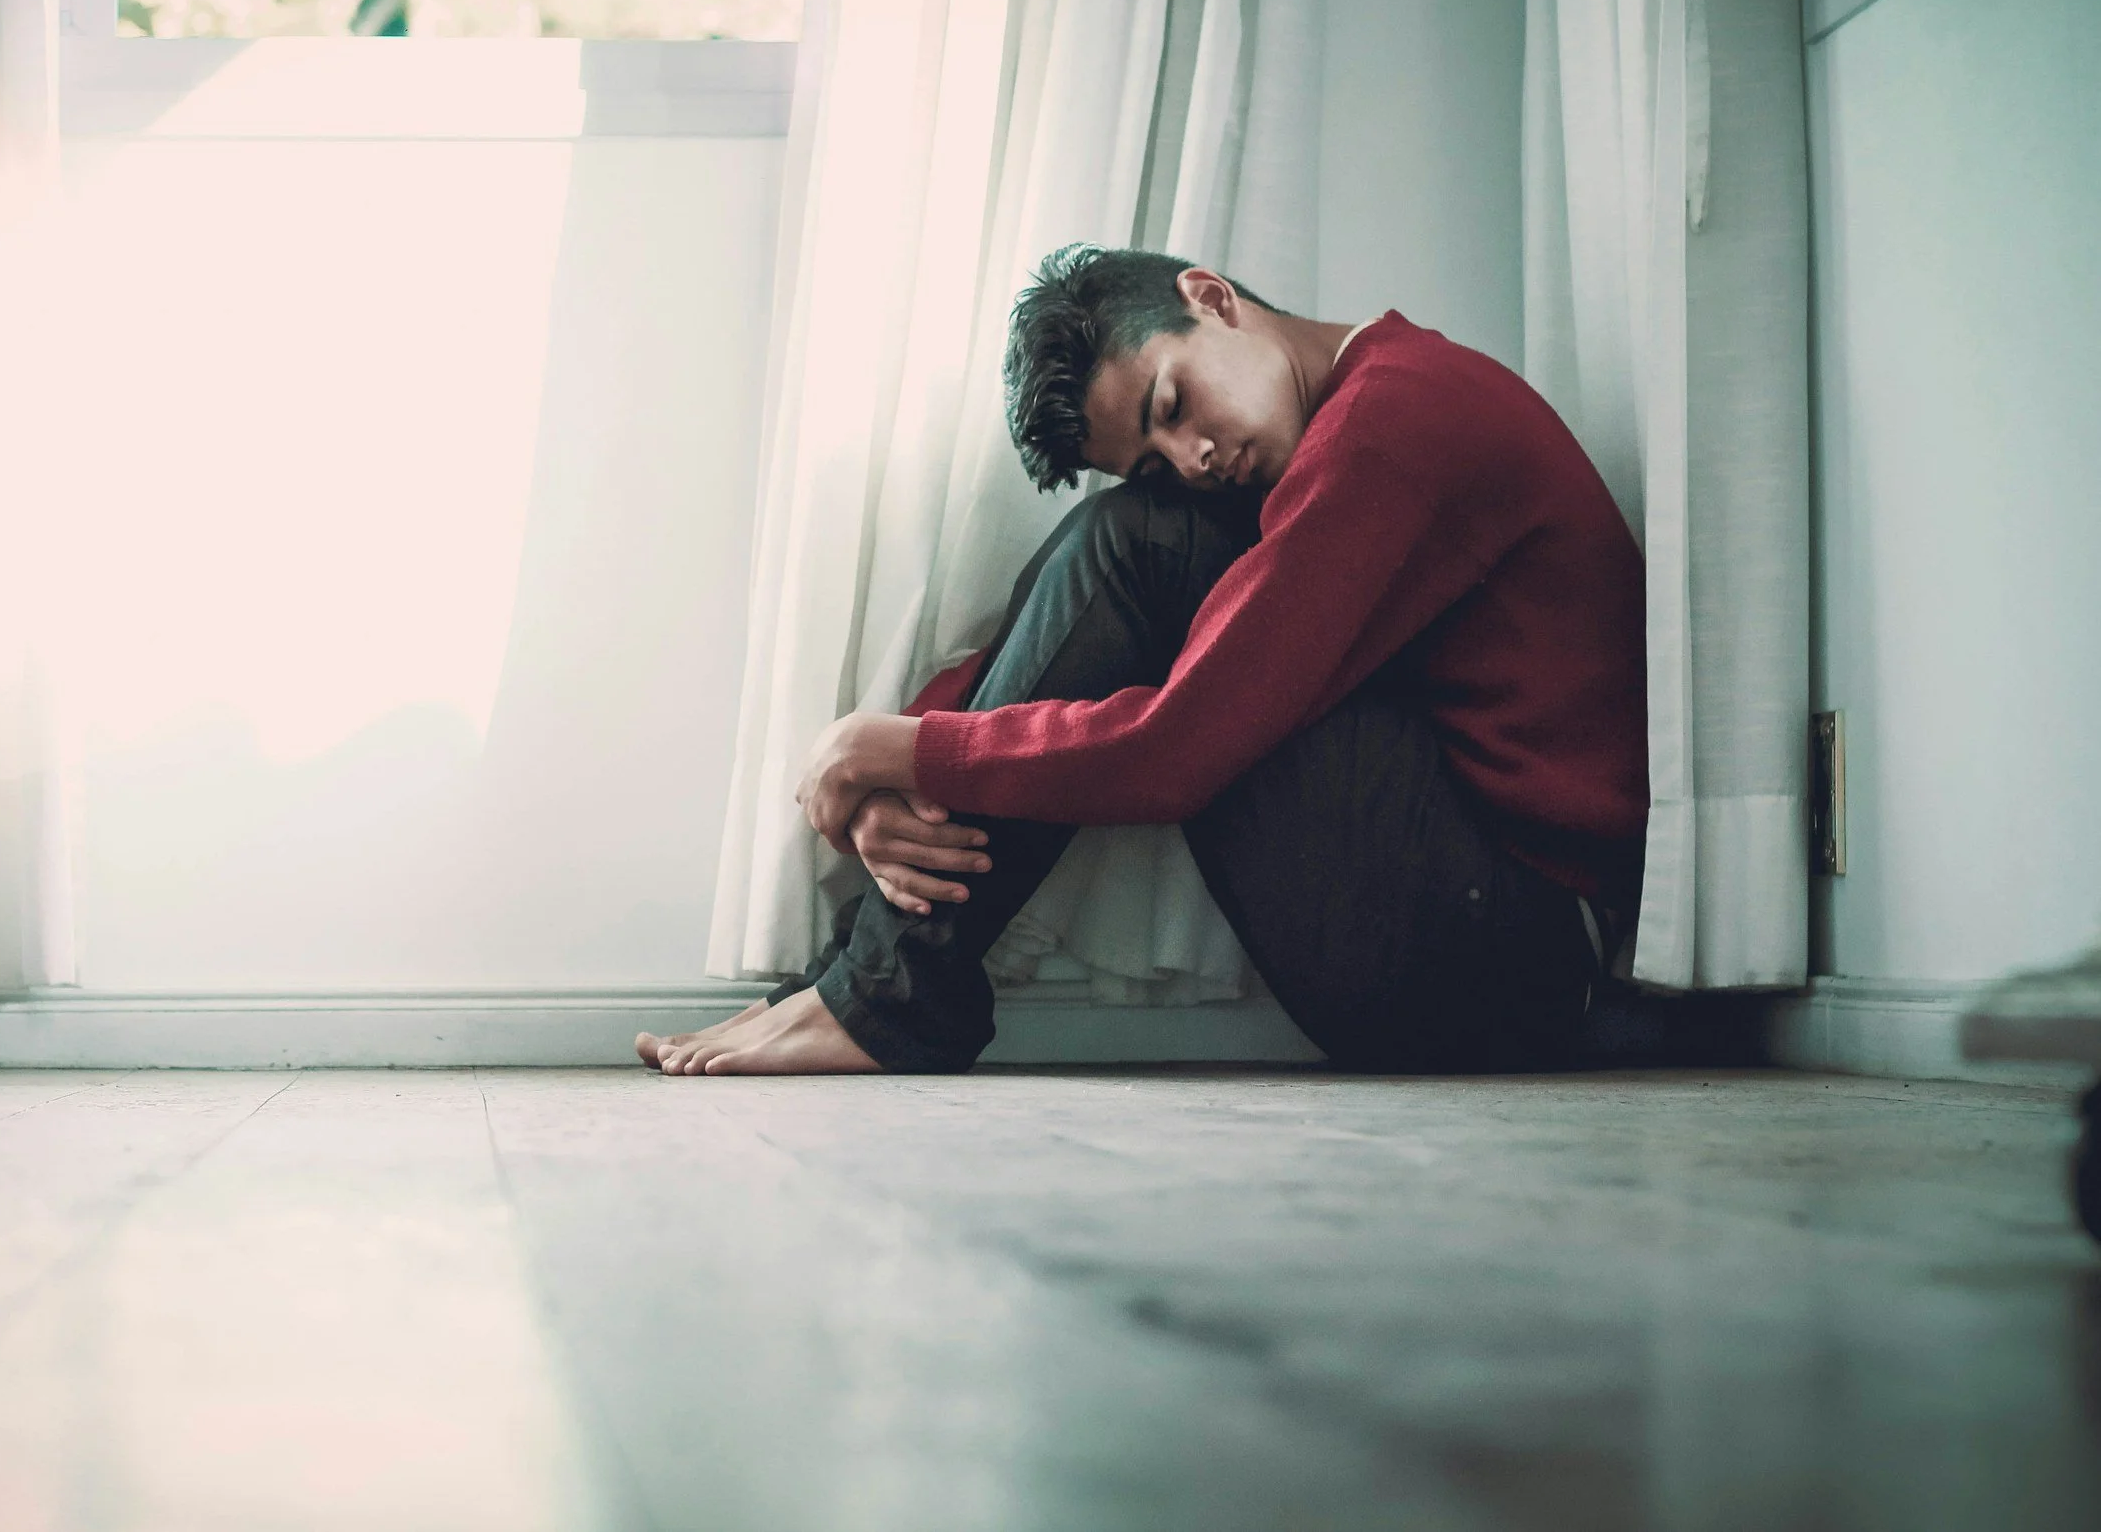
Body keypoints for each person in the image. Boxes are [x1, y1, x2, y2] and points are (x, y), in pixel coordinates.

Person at [639, 244, 1648, 1077]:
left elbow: (1179, 747)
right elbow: (1073, 629)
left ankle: (883, 997)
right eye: (1160, 452)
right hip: (1465, 921)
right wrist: (891, 761)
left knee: (1136, 543)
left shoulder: (1396, 424)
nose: (1197, 457)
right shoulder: (1346, 426)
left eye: (1173, 403)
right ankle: (869, 983)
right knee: (1129, 532)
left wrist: (894, 751)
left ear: (1210, 298)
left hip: (1513, 960)